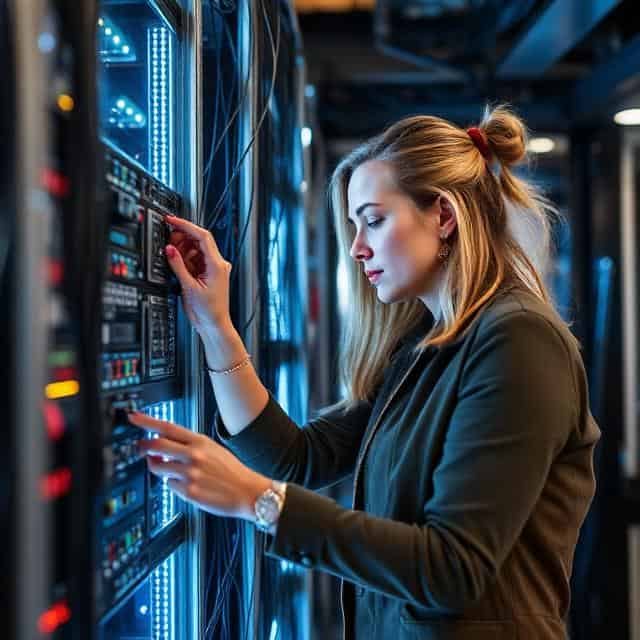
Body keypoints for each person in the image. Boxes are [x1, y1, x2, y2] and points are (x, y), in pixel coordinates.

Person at [130, 105, 600, 640]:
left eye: (373, 220)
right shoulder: (423, 344)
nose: (356, 248)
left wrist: (257, 501)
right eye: (354, 225)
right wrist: (215, 326)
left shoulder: (518, 340)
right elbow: (298, 457)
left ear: (443, 216)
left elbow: (453, 568)